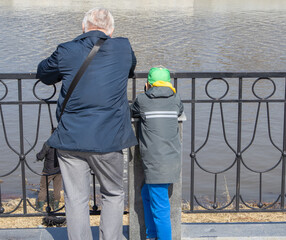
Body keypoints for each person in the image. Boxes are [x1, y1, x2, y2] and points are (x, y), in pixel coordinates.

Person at [36, 7, 137, 240]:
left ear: (83, 27)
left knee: (76, 198)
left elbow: (44, 73)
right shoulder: (123, 47)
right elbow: (130, 69)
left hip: (72, 138)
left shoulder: (67, 50)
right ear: (111, 30)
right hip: (109, 138)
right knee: (112, 193)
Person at [130, 67, 183, 240]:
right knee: (147, 193)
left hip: (155, 163)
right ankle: (151, 235)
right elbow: (180, 112)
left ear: (148, 85)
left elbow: (133, 112)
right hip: (171, 160)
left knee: (161, 209)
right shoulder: (176, 100)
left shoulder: (142, 99)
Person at [36, 141, 62, 211]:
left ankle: (40, 208)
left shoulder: (48, 143)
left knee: (43, 188)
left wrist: (37, 156)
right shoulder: (62, 143)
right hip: (59, 170)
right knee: (57, 189)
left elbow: (40, 156)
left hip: (47, 171)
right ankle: (56, 207)